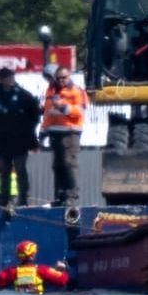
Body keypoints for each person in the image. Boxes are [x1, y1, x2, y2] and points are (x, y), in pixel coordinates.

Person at [0, 67, 41, 210]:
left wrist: (26, 129)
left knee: (20, 170)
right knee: (4, 171)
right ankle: (4, 200)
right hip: (3, 140)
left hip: (19, 140)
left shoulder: (23, 95)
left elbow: (35, 114)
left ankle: (23, 199)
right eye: (4, 78)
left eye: (9, 78)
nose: (7, 81)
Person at [42, 65, 87, 205]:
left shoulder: (77, 91)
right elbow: (48, 113)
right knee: (58, 165)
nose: (61, 80)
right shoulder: (51, 90)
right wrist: (43, 131)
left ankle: (71, 196)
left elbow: (80, 111)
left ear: (69, 76)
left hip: (70, 132)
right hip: (54, 133)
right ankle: (60, 196)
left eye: (64, 77)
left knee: (69, 163)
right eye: (59, 77)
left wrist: (63, 106)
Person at [0, 240, 70, 294]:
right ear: (32, 256)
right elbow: (63, 280)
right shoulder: (42, 270)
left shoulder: (11, 272)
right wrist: (63, 269)